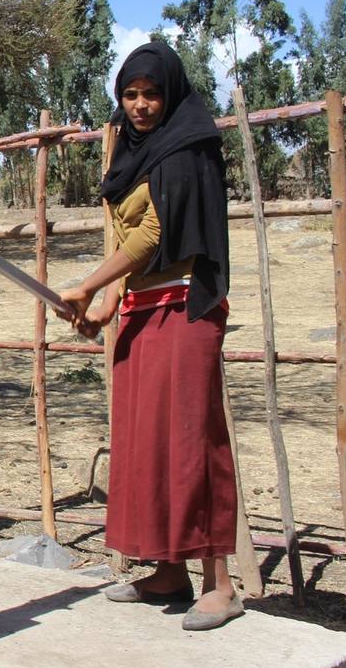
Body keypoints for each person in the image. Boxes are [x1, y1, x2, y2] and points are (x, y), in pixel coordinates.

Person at [59, 41, 239, 632]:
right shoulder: (134, 151)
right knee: (146, 442)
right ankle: (168, 572)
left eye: (151, 94)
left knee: (191, 441)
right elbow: (127, 246)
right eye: (130, 94)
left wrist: (87, 285)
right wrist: (109, 303)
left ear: (171, 94)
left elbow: (152, 238)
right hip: (141, 308)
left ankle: (221, 584)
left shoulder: (185, 149)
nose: (140, 105)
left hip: (186, 309)